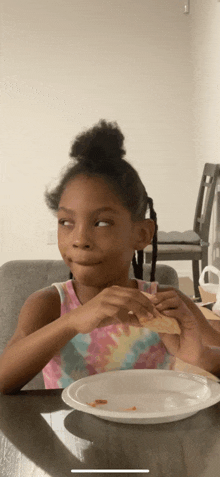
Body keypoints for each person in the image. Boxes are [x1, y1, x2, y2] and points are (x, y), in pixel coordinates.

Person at [0, 120, 220, 394]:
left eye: (101, 223)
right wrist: (71, 322)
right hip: (71, 435)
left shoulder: (166, 305)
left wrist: (200, 355)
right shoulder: (48, 306)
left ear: (141, 234)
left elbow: (213, 349)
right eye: (66, 222)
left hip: (154, 433)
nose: (79, 239)